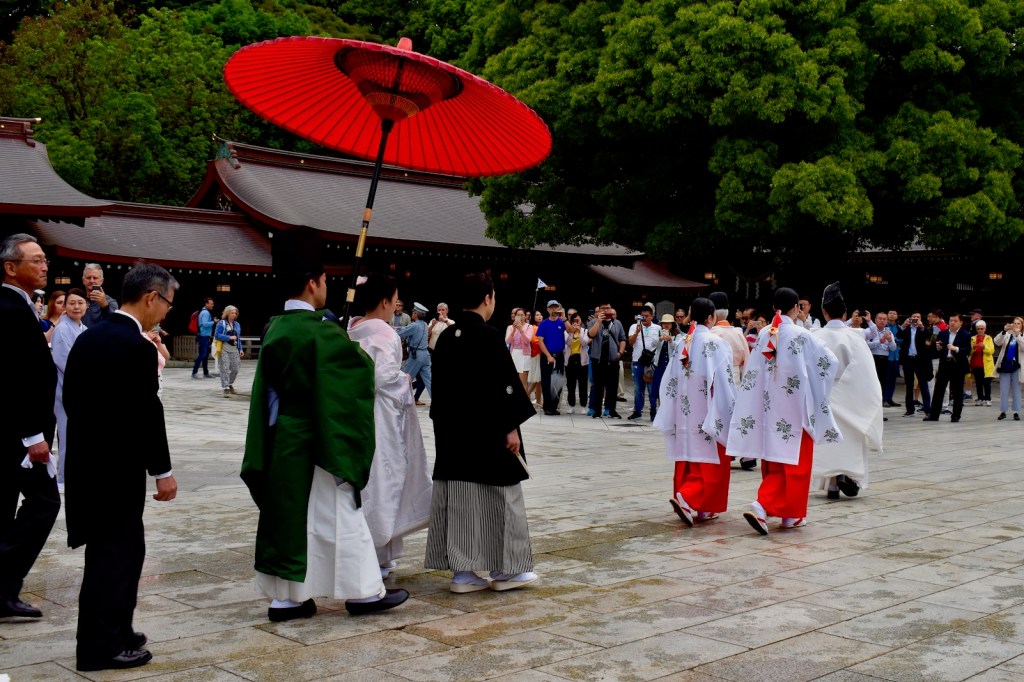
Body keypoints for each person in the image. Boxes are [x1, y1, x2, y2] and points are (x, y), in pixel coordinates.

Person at [241, 228, 408, 623]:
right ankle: (364, 592)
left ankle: (286, 600)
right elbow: (359, 375)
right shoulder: (319, 331)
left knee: (289, 518)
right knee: (340, 512)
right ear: (313, 283)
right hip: (320, 440)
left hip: (284, 440)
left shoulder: (276, 327)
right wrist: (346, 346)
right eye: (325, 279)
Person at [63, 263, 179, 671]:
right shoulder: (136, 346)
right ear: (151, 297)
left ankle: (118, 628)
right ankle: (100, 646)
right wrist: (162, 471)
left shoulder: (90, 337)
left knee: (121, 550)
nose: (165, 312)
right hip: (117, 467)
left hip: (88, 461)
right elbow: (147, 412)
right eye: (167, 303)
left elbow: (71, 399)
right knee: (114, 555)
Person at [425, 272, 539, 593]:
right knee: (501, 499)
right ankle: (506, 570)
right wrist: (511, 428)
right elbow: (504, 387)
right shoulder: (489, 336)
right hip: (489, 432)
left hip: (454, 433)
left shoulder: (446, 337)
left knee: (459, 498)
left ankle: (462, 573)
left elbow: (439, 391)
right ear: (488, 299)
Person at [727, 287, 840, 535]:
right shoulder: (802, 335)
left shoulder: (765, 333)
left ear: (773, 307)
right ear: (796, 307)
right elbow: (829, 362)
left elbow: (755, 371)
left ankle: (788, 515)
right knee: (797, 465)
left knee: (775, 460)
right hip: (796, 409)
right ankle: (765, 506)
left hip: (769, 408)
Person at [347, 274, 433, 577]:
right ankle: (377, 549)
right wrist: (404, 378)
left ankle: (381, 552)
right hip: (381, 415)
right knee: (385, 477)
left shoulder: (351, 328)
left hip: (355, 410)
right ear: (384, 302)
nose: (396, 305)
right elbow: (382, 376)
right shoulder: (384, 333)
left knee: (372, 480)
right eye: (395, 300)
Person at [0, 234, 59, 621]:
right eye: (35, 260)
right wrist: (33, 435)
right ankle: (4, 581)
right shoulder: (8, 308)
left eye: (44, 260)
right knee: (44, 502)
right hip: (20, 435)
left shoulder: (19, 305)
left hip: (17, 432)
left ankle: (3, 593)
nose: (43, 266)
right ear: (10, 267)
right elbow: (12, 377)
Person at [654, 297, 736, 527]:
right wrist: (731, 407)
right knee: (712, 459)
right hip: (708, 409)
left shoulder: (683, 342)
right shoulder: (717, 343)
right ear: (711, 317)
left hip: (685, 410)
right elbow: (725, 381)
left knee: (688, 454)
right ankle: (689, 498)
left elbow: (670, 378)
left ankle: (699, 506)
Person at [811, 283, 883, 500]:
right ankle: (844, 475)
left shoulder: (814, 336)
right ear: (845, 314)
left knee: (826, 441)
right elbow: (866, 373)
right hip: (849, 396)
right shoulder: (854, 338)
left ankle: (832, 484)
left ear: (824, 312)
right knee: (847, 440)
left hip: (822, 395)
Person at [52, 288, 89, 492]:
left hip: (81, 391)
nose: (76, 307)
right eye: (72, 303)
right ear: (65, 306)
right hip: (66, 391)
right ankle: (63, 478)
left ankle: (76, 474)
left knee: (78, 436)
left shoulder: (84, 329)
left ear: (87, 306)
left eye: (80, 303)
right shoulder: (62, 329)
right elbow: (63, 360)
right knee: (67, 436)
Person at [923, 313, 972, 423]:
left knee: (957, 391)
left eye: (955, 321)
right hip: (944, 364)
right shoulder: (943, 333)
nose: (952, 323)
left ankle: (956, 415)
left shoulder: (965, 334)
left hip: (957, 365)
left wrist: (956, 348)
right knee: (939, 389)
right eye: (951, 320)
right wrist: (938, 348)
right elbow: (936, 350)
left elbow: (968, 350)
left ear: (961, 322)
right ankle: (934, 415)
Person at [588, 302, 626, 419]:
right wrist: (598, 322)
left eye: (608, 308)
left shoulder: (617, 323)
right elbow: (591, 335)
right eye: (603, 308)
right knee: (598, 386)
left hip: (613, 359)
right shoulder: (593, 322)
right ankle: (597, 410)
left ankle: (612, 410)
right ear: (599, 310)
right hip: (598, 359)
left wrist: (620, 352)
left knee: (613, 386)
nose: (606, 310)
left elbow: (622, 338)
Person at [628, 306, 662, 420]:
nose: (644, 318)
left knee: (651, 388)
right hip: (637, 360)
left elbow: (661, 344)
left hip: (651, 362)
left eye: (647, 316)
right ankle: (638, 410)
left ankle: (653, 412)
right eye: (642, 316)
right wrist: (637, 332)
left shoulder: (658, 328)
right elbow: (630, 342)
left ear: (652, 316)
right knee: (638, 388)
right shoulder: (634, 326)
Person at [897, 312, 932, 417]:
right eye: (914, 317)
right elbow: (898, 335)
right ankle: (910, 410)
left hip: (920, 360)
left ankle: (927, 409)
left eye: (918, 317)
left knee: (923, 384)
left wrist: (922, 327)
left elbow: (928, 336)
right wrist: (903, 325)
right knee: (909, 385)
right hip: (908, 359)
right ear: (910, 318)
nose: (916, 319)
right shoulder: (906, 329)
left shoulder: (922, 329)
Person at [536, 300, 568, 415]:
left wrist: (564, 318)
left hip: (559, 355)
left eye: (555, 307)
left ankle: (554, 406)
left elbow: (571, 330)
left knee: (558, 380)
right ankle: (547, 407)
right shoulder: (544, 323)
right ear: (548, 309)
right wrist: (548, 356)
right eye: (551, 307)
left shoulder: (562, 322)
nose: (554, 309)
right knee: (546, 382)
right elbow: (540, 341)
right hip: (546, 356)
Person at [397, 302, 432, 401]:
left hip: (416, 355)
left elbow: (400, 332)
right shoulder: (425, 324)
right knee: (429, 381)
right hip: (425, 355)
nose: (412, 313)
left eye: (413, 312)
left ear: (416, 314)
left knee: (405, 378)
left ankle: (400, 400)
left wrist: (389, 329)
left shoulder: (414, 325)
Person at [866, 311, 898, 407]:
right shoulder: (869, 331)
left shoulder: (889, 332)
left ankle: (883, 401)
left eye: (884, 319)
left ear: (886, 321)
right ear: (875, 320)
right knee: (872, 381)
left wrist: (890, 340)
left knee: (884, 381)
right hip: (873, 357)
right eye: (880, 319)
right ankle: (871, 401)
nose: (882, 321)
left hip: (885, 358)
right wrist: (878, 342)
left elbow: (893, 348)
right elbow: (865, 344)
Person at [994, 317, 1023, 420]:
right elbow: (997, 342)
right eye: (1015, 323)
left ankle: (1016, 411)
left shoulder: (1022, 336)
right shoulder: (1007, 335)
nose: (1016, 325)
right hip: (1005, 365)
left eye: (1018, 323)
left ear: (1022, 326)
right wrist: (1004, 331)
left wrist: (1018, 335)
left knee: (1016, 390)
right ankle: (1003, 411)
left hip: (1017, 366)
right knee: (1004, 389)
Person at [564, 312, 590, 414]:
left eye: (578, 320)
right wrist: (572, 332)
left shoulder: (585, 331)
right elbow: (568, 343)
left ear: (581, 321)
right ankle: (571, 406)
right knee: (571, 384)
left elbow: (584, 343)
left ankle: (583, 406)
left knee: (583, 384)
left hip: (582, 360)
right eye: (574, 320)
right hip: (570, 359)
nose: (576, 322)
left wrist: (579, 333)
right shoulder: (567, 331)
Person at [215, 305, 244, 397]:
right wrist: (229, 337)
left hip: (234, 349)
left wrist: (240, 349)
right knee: (224, 368)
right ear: (227, 313)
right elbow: (217, 335)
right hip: (224, 349)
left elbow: (238, 338)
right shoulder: (221, 323)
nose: (234, 315)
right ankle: (225, 387)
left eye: (235, 313)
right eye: (232, 313)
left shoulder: (237, 324)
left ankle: (230, 383)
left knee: (236, 368)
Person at [506, 307, 534, 394]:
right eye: (518, 315)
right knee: (513, 381)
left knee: (523, 381)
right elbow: (507, 341)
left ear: (525, 316)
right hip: (514, 353)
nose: (520, 317)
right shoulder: (510, 327)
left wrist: (521, 330)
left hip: (524, 355)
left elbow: (527, 341)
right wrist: (514, 330)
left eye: (522, 315)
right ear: (515, 317)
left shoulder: (529, 327)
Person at [81, 263, 119, 327]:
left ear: (102, 281)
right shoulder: (77, 301)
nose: (92, 281)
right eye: (88, 278)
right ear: (83, 280)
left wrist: (105, 306)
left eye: (95, 278)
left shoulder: (110, 302)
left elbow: (114, 324)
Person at [970, 320, 994, 407]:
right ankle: (980, 399)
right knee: (978, 383)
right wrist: (973, 348)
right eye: (978, 329)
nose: (980, 330)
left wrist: (984, 347)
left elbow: (991, 351)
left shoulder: (989, 338)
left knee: (987, 383)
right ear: (976, 329)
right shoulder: (973, 338)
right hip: (976, 364)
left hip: (986, 365)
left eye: (982, 328)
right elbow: (969, 351)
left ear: (985, 329)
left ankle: (988, 399)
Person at [191, 297, 216, 379]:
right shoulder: (205, 313)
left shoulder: (202, 312)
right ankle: (194, 372)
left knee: (204, 355)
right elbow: (204, 324)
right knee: (203, 354)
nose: (212, 305)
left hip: (202, 335)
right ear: (206, 304)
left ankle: (206, 373)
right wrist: (214, 322)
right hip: (204, 336)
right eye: (211, 304)